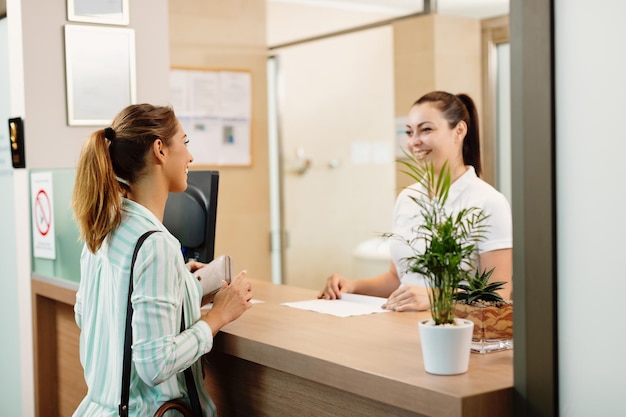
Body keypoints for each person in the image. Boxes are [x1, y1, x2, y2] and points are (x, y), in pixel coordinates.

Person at [71, 103, 253, 416]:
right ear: (160, 150)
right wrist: (218, 316)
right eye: (184, 143)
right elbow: (155, 363)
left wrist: (182, 284)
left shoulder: (102, 226)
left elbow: (88, 315)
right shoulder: (156, 245)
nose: (190, 157)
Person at [319, 91, 512, 311]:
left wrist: (436, 297)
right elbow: (398, 278)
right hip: (401, 330)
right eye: (409, 132)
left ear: (459, 131)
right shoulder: (408, 198)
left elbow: (497, 295)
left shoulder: (489, 202)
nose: (414, 142)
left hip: (458, 336)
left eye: (426, 129)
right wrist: (352, 286)